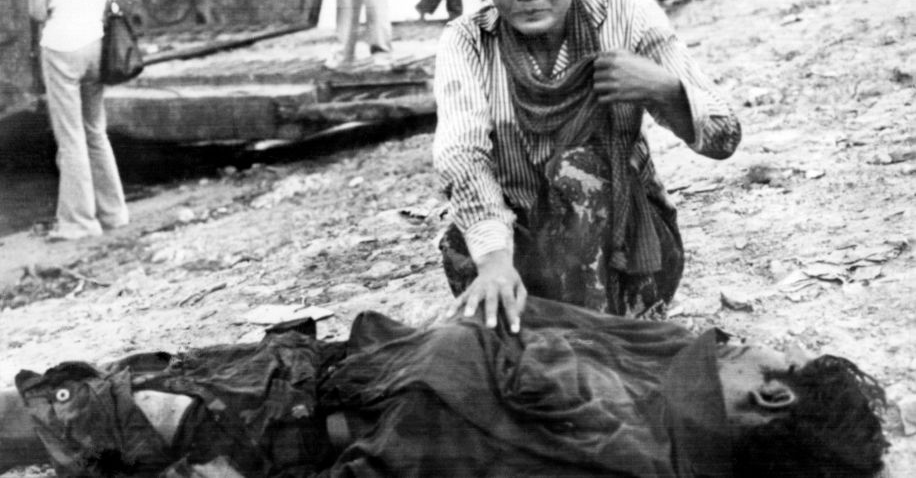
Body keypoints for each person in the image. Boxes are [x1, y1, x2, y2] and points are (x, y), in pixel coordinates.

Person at [0, 297, 889, 477]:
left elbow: (448, 420)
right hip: (309, 401)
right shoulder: (669, 433)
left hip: (276, 416)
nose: (746, 349)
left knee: (75, 417)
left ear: (773, 398)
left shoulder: (635, 416)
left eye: (773, 362)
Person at [432, 0, 742, 333]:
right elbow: (461, 155)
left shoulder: (628, 14)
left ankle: (600, 328)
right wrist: (495, 261)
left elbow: (724, 136)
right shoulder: (466, 40)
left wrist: (663, 89)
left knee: (582, 169)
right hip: (512, 251)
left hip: (624, 250)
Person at [23, 0, 130, 242]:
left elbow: (37, 12)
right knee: (95, 131)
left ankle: (79, 223)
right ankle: (114, 214)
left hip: (62, 49)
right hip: (96, 44)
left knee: (70, 140)